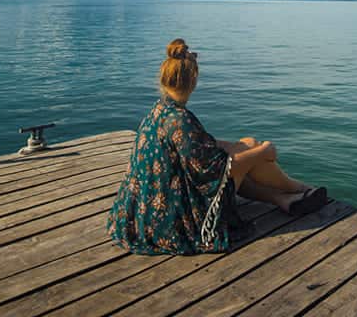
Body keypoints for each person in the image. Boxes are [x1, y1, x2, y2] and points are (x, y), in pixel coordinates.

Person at [106, 38, 327, 255]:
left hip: (144, 211)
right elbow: (220, 171)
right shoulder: (181, 120)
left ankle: (283, 199)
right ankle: (298, 188)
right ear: (194, 80)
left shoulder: (160, 109)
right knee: (242, 161)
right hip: (170, 220)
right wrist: (263, 151)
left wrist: (239, 146)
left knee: (247, 145)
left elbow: (197, 145)